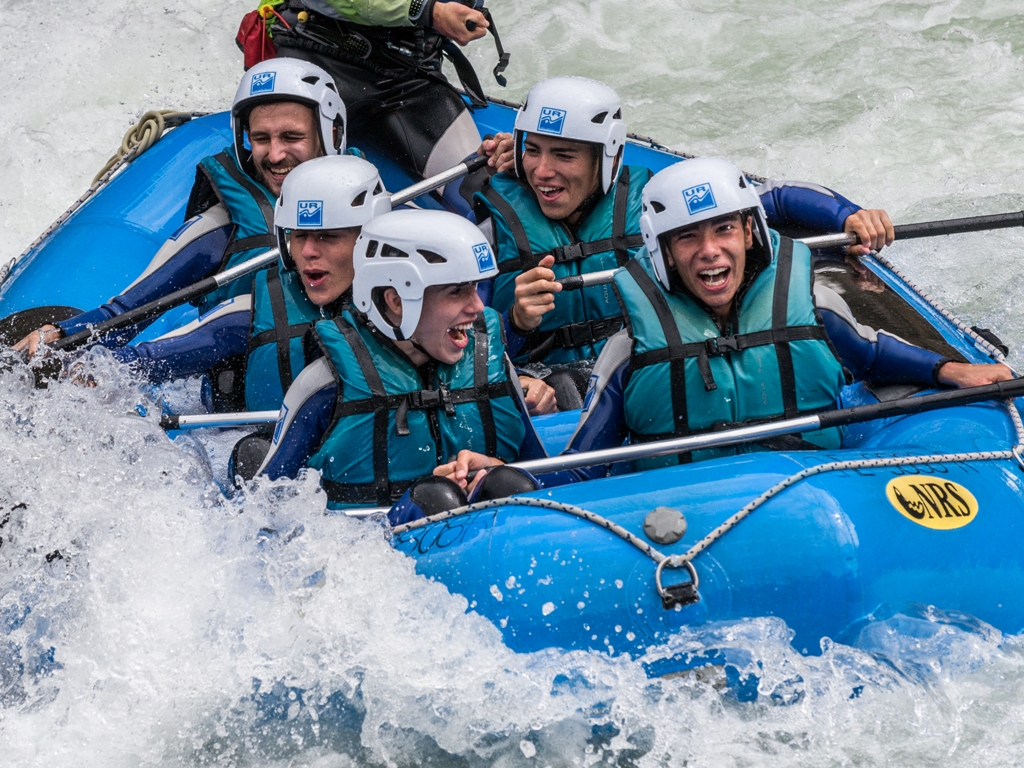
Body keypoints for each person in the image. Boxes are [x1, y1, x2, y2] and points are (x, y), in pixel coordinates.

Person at [438, 158, 1012, 487]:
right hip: (689, 510)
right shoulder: (632, 346)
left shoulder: (807, 308)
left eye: (723, 231)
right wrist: (509, 472)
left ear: (750, 235)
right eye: (688, 237)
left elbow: (874, 356)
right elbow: (587, 460)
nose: (710, 252)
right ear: (662, 253)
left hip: (813, 483)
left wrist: (951, 370)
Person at [472, 76, 896, 393]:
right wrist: (515, 322)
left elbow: (777, 199)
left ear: (608, 156)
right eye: (532, 150)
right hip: (547, 385)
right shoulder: (493, 231)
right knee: (559, 388)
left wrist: (849, 217)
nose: (542, 171)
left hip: (651, 369)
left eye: (563, 155)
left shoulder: (656, 206)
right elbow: (457, 349)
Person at [13, 58, 347, 369]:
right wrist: (61, 335)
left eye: (292, 137)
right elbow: (128, 311)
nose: (274, 155)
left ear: (329, 133)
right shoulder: (221, 228)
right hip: (238, 421)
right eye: (261, 139)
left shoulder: (383, 210)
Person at [257, 208, 547, 509]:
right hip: (371, 541)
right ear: (396, 302)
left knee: (507, 483)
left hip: (480, 538)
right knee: (435, 498)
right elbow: (264, 510)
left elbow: (547, 480)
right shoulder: (325, 383)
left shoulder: (492, 362)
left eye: (474, 288)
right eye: (456, 292)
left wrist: (494, 465)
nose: (477, 307)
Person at [101, 154, 391, 415]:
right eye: (300, 236)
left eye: (328, 236)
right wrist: (90, 373)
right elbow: (137, 362)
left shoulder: (420, 305)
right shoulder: (257, 311)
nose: (308, 252)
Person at [250, 0, 507, 189]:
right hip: (318, 60)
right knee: (280, 168)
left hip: (407, 77)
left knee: (481, 189)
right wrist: (428, 10)